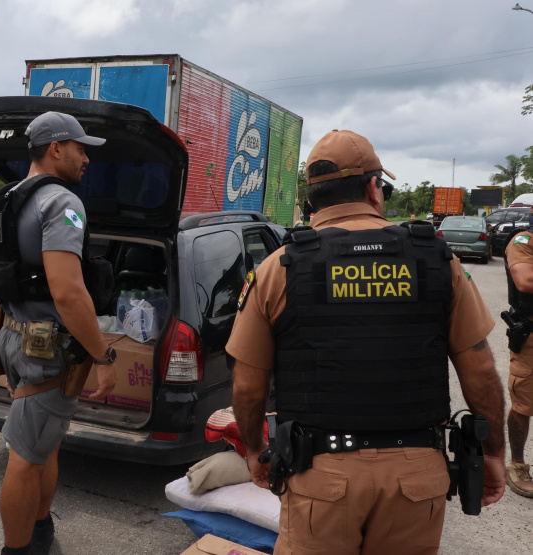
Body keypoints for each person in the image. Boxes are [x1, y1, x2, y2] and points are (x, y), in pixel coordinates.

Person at [226, 129, 506, 555]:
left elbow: (248, 387)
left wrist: (254, 451)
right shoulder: (437, 258)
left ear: (312, 198)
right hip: (416, 478)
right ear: (375, 188)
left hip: (319, 475)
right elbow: (481, 373)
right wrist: (493, 453)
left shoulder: (277, 267)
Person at [0, 112, 117, 555]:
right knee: (25, 454)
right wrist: (104, 356)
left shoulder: (6, 199)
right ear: (55, 148)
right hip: (44, 349)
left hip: (10, 334)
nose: (86, 158)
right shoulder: (62, 203)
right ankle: (18, 549)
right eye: (81, 148)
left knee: (45, 443)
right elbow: (68, 293)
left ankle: (40, 531)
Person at [503, 225, 533, 497]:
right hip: (531, 336)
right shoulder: (523, 241)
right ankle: (517, 464)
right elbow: (525, 281)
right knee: (524, 401)